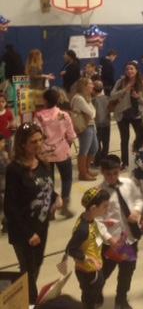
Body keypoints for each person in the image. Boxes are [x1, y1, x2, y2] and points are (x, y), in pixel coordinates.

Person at [4, 123, 60, 303]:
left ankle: (23, 298)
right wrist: (29, 234)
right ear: (22, 144)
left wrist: (56, 197)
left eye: (40, 140)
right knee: (28, 271)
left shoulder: (42, 162)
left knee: (37, 264)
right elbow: (10, 207)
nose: (38, 144)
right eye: (33, 142)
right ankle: (30, 302)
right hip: (24, 231)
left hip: (41, 226)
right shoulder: (15, 170)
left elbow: (45, 186)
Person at [97, 154, 143, 309]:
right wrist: (109, 239)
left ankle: (121, 299)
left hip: (130, 237)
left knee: (127, 270)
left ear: (120, 170)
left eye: (115, 173)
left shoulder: (128, 183)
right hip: (112, 241)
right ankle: (96, 293)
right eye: (108, 174)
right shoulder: (99, 193)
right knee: (104, 271)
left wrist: (136, 211)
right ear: (102, 172)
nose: (112, 177)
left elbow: (139, 199)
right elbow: (97, 220)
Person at [65, 188, 110, 309]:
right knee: (89, 299)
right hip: (88, 272)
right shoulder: (83, 229)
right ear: (93, 208)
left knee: (92, 295)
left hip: (94, 267)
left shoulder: (88, 219)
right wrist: (86, 258)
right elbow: (70, 249)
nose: (107, 209)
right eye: (105, 206)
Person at [35, 88, 76, 217]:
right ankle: (65, 206)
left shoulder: (38, 116)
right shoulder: (64, 115)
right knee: (67, 178)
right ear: (58, 100)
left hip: (45, 152)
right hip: (62, 150)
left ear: (45, 100)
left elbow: (37, 135)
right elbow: (71, 135)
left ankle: (51, 209)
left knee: (49, 181)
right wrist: (67, 143)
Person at [110, 62, 143, 168]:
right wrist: (125, 89)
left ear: (136, 70)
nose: (129, 71)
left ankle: (141, 159)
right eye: (127, 69)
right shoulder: (120, 82)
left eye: (131, 68)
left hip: (137, 115)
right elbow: (112, 95)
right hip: (122, 114)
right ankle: (125, 162)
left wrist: (138, 97)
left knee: (140, 138)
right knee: (124, 139)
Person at [71, 78, 100, 180]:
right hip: (85, 127)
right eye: (90, 83)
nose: (93, 85)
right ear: (84, 86)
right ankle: (82, 173)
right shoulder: (78, 98)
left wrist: (91, 112)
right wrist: (91, 113)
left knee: (94, 148)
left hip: (91, 125)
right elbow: (92, 113)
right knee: (84, 150)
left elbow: (93, 112)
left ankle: (87, 169)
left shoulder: (86, 97)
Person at [92, 80, 111, 165]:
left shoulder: (93, 100)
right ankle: (104, 159)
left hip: (97, 124)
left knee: (97, 143)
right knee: (106, 142)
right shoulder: (107, 98)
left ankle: (97, 161)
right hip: (106, 123)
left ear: (93, 89)